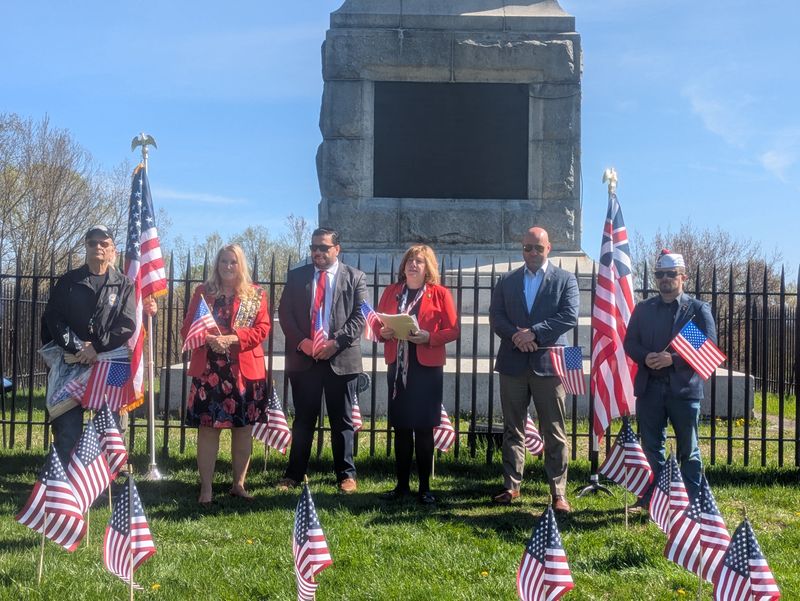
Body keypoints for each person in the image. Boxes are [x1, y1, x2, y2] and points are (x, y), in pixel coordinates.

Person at [41, 225, 150, 465]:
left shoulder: (124, 285)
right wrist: (78, 347)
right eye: (93, 243)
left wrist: (96, 347)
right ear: (86, 246)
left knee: (109, 427)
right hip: (72, 363)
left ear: (113, 249)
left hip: (110, 364)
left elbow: (127, 323)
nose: (98, 247)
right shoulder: (68, 282)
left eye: (104, 243)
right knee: (67, 427)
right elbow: (53, 318)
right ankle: (66, 483)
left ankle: (106, 478)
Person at [489, 226, 579, 512]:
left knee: (554, 430)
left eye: (538, 248)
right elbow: (496, 316)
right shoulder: (507, 280)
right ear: (522, 249)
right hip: (513, 362)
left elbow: (569, 315)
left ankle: (558, 493)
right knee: (512, 429)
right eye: (528, 248)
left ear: (548, 248)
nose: (532, 253)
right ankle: (511, 486)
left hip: (548, 365)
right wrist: (516, 335)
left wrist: (535, 333)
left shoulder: (565, 279)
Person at [277, 227, 367, 493]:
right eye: (314, 247)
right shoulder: (297, 277)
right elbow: (285, 314)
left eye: (323, 247)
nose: (317, 252)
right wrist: (303, 343)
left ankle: (346, 475)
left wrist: (335, 343)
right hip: (305, 360)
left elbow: (360, 317)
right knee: (304, 419)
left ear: (337, 249)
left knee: (343, 421)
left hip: (341, 360)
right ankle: (294, 474)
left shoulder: (355, 277)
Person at [624, 249, 715, 507]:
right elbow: (631, 342)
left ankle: (692, 501)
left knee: (689, 450)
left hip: (683, 391)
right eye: (660, 274)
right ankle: (655, 499)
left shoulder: (696, 310)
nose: (665, 278)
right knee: (652, 447)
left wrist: (672, 360)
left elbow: (707, 347)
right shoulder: (644, 308)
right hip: (649, 388)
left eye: (671, 274)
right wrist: (646, 356)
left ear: (682, 277)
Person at [181, 244, 270, 505]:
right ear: (216, 265)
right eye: (223, 262)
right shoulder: (203, 292)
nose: (228, 266)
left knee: (243, 429)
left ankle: (238, 484)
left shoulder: (256, 295)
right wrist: (209, 339)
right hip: (209, 370)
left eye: (233, 262)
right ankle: (206, 489)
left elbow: (262, 330)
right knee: (208, 429)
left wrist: (233, 338)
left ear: (241, 265)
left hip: (243, 370)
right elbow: (188, 326)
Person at [376, 245, 459, 504]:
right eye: (410, 260)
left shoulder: (440, 294)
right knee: (401, 428)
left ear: (428, 267)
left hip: (426, 368)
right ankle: (401, 486)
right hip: (398, 367)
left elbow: (453, 330)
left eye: (420, 261)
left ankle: (425, 487)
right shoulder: (392, 291)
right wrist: (384, 333)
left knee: (423, 429)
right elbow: (378, 324)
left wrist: (429, 337)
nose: (413, 265)